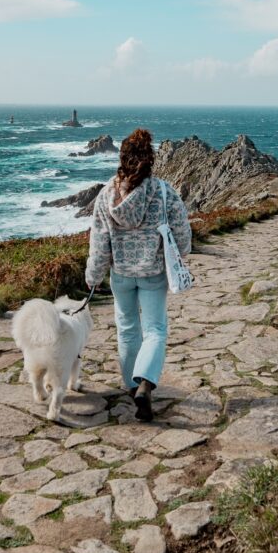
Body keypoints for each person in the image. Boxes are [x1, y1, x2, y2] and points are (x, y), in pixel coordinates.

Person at [85, 128, 191, 421]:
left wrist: (93, 275)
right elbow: (182, 229)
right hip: (153, 272)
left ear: (122, 158)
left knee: (127, 328)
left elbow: (99, 241)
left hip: (120, 273)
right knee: (155, 329)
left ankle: (133, 387)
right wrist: (182, 253)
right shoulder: (163, 191)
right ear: (149, 160)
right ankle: (146, 382)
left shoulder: (107, 195)